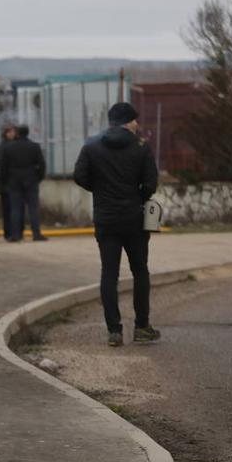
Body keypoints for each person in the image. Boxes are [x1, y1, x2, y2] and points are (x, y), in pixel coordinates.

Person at [73, 102, 160, 347]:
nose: (138, 125)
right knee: (140, 271)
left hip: (106, 218)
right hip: (134, 218)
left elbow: (79, 176)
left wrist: (99, 190)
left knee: (109, 273)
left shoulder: (92, 146)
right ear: (129, 121)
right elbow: (151, 184)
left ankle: (114, 331)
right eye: (135, 120)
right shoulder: (141, 147)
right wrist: (138, 197)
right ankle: (142, 327)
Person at [0, 124, 47, 242]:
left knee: (15, 208)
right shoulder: (34, 146)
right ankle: (36, 234)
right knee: (33, 208)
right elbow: (42, 165)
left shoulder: (8, 148)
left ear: (17, 133)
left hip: (14, 181)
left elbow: (3, 167)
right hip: (31, 179)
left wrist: (6, 179)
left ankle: (16, 235)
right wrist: (38, 178)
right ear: (28, 133)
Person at [0, 124, 16, 241]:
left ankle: (13, 232)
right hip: (5, 184)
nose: (13, 134)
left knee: (13, 209)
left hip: (9, 183)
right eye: (10, 132)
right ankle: (9, 233)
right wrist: (4, 175)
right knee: (8, 209)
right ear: (6, 133)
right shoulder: (1, 148)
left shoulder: (5, 147)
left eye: (14, 132)